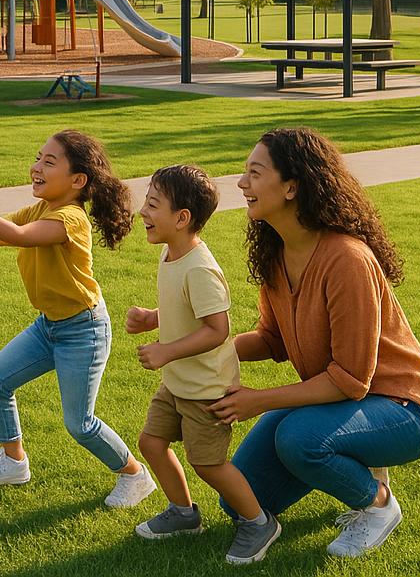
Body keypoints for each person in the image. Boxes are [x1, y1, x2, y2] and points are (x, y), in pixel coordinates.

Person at [207, 127, 420, 559]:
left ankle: (377, 505)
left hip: (404, 410)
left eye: (255, 173)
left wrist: (256, 400)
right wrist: (205, 347)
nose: (242, 184)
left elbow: (352, 380)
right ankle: (370, 474)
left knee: (299, 439)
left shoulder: (346, 259)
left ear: (292, 186)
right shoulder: (276, 256)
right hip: (337, 403)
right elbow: (272, 339)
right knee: (240, 498)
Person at [0, 129, 155, 509]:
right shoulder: (41, 208)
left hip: (84, 331)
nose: (36, 167)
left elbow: (17, 235)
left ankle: (134, 474)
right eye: (38, 158)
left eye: (49, 162)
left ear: (77, 181)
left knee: (80, 424)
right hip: (49, 327)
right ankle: (14, 462)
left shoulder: (71, 218)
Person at [126, 165, 281, 565]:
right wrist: (153, 318)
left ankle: (257, 522)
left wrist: (166, 350)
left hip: (207, 388)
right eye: (146, 201)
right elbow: (187, 309)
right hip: (178, 383)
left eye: (153, 204)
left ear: (182, 219)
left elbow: (217, 329)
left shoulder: (200, 268)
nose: (143, 211)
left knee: (208, 462)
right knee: (151, 442)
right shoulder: (171, 252)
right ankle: (183, 513)